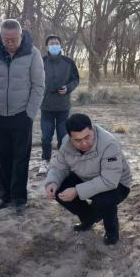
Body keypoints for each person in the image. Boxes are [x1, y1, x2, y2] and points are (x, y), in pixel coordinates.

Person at [0, 19, 45, 214]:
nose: (9, 43)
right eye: (6, 39)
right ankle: (4, 196)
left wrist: (30, 113)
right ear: (1, 36)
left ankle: (19, 198)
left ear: (21, 35)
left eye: (13, 39)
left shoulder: (32, 53)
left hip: (21, 115)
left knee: (20, 158)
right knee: (1, 158)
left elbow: (38, 86)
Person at [44, 113, 132, 245]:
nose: (84, 143)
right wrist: (52, 183)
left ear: (92, 130)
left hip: (117, 184)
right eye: (78, 140)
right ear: (70, 137)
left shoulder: (109, 143)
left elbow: (109, 181)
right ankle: (88, 219)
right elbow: (59, 167)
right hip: (85, 178)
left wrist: (77, 191)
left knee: (103, 200)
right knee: (59, 189)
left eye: (87, 137)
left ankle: (111, 231)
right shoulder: (65, 143)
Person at [38, 35, 80, 175]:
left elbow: (75, 79)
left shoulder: (68, 62)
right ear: (47, 47)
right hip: (46, 107)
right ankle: (45, 161)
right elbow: (34, 79)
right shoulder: (41, 61)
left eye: (56, 43)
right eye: (51, 43)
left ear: (61, 46)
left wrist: (68, 88)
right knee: (46, 137)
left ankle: (62, 162)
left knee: (63, 137)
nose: (54, 45)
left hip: (63, 107)